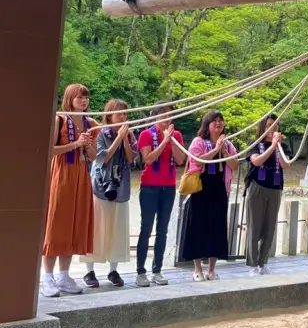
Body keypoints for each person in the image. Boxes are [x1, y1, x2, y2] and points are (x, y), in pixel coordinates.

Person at [41, 84, 98, 298]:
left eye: (86, 97)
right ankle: (48, 277)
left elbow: (94, 156)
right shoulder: (60, 119)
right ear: (70, 98)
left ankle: (64, 276)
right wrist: (75, 144)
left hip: (81, 176)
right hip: (62, 174)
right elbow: (49, 150)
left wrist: (86, 145)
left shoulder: (90, 123)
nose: (84, 101)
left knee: (75, 223)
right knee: (56, 224)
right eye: (79, 97)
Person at [178, 110, 238, 281]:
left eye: (221, 120)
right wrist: (215, 150)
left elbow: (234, 166)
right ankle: (197, 269)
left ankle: (212, 269)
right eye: (215, 121)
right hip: (200, 188)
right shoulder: (199, 141)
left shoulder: (227, 144)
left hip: (218, 188)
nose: (218, 124)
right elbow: (195, 160)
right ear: (208, 124)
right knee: (198, 226)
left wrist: (224, 152)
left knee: (217, 227)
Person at [82, 99, 136, 289]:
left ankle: (113, 269)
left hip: (121, 187)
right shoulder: (100, 133)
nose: (122, 117)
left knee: (118, 228)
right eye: (118, 113)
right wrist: (118, 139)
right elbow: (102, 158)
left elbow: (131, 160)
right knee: (97, 227)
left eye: (124, 113)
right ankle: (89, 271)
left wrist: (125, 139)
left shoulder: (129, 134)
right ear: (109, 115)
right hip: (101, 186)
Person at [135, 105, 186, 287]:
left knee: (162, 230)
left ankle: (157, 270)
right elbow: (148, 159)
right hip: (149, 186)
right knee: (146, 228)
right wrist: (164, 141)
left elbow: (180, 160)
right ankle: (141, 271)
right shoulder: (146, 135)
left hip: (169, 186)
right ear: (155, 117)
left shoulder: (177, 135)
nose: (167, 119)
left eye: (170, 116)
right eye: (163, 116)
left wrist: (171, 141)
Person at [244, 114, 292, 276]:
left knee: (269, 227)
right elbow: (256, 161)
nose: (272, 129)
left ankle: (263, 262)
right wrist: (271, 147)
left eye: (275, 125)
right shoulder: (255, 144)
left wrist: (277, 146)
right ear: (263, 127)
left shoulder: (283, 146)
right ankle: (252, 264)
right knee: (254, 227)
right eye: (269, 125)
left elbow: (286, 164)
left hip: (275, 188)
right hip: (257, 187)